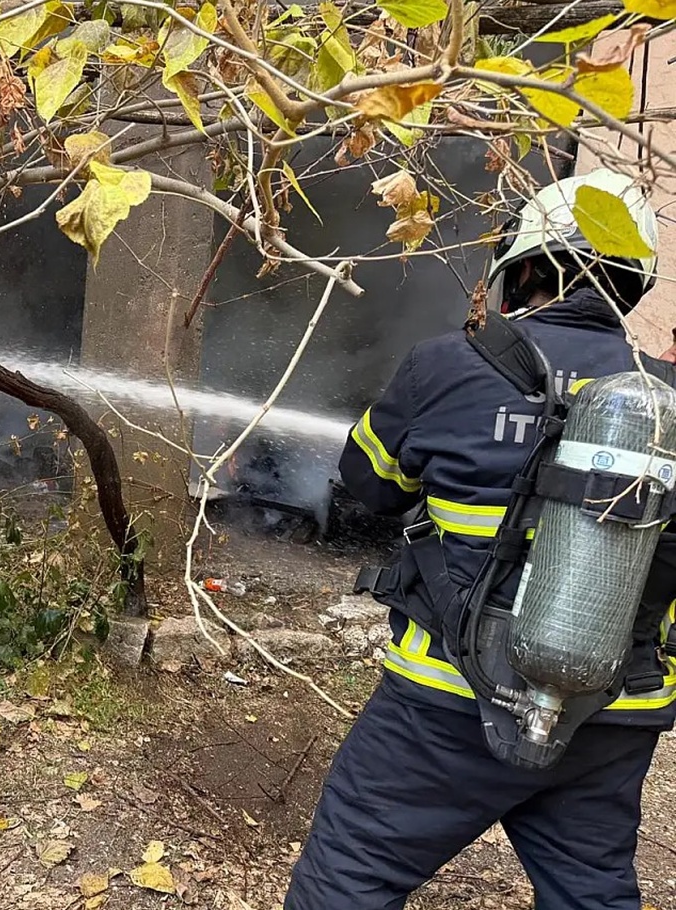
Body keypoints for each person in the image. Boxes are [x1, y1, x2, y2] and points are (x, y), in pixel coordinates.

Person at [285, 168, 676, 910]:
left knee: (348, 882)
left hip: (447, 702)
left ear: (526, 267)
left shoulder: (448, 364)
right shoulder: (668, 404)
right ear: (630, 285)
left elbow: (368, 482)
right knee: (592, 894)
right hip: (612, 712)